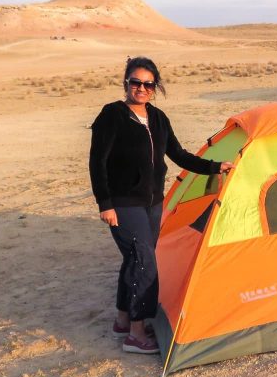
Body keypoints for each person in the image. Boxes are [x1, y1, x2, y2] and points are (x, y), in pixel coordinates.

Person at [89, 57, 234, 354]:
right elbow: (97, 163)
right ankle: (137, 334)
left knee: (135, 259)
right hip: (123, 203)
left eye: (148, 84)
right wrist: (105, 204)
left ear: (156, 87)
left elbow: (179, 155)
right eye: (135, 82)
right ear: (126, 83)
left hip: (153, 202)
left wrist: (215, 166)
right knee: (145, 263)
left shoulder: (158, 118)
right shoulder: (112, 115)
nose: (141, 89)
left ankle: (122, 320)